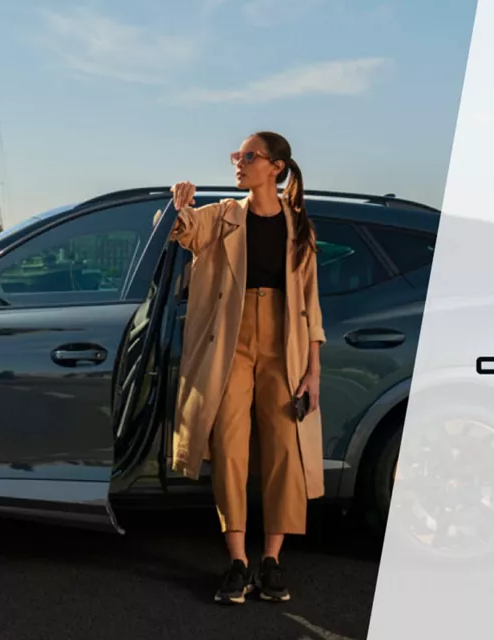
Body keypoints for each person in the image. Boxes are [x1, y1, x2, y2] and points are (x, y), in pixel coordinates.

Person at [166, 131, 326, 604]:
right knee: (229, 447)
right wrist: (180, 208)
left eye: (249, 156)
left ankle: (271, 562)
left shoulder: (300, 227)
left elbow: (312, 307)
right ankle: (237, 561)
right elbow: (187, 232)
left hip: (286, 345)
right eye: (237, 155)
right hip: (230, 344)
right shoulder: (225, 215)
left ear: (276, 167)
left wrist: (313, 371)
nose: (238, 162)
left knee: (284, 450)